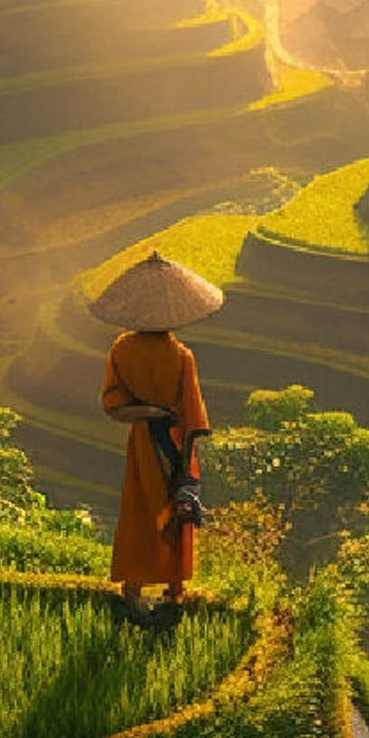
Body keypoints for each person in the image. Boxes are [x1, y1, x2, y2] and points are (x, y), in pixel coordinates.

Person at [89, 247, 224, 618]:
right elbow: (194, 416)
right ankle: (174, 591)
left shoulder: (121, 349)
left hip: (142, 441)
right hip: (174, 441)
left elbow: (113, 404)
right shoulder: (181, 356)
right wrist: (185, 466)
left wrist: (147, 412)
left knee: (139, 511)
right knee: (175, 511)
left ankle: (132, 589)